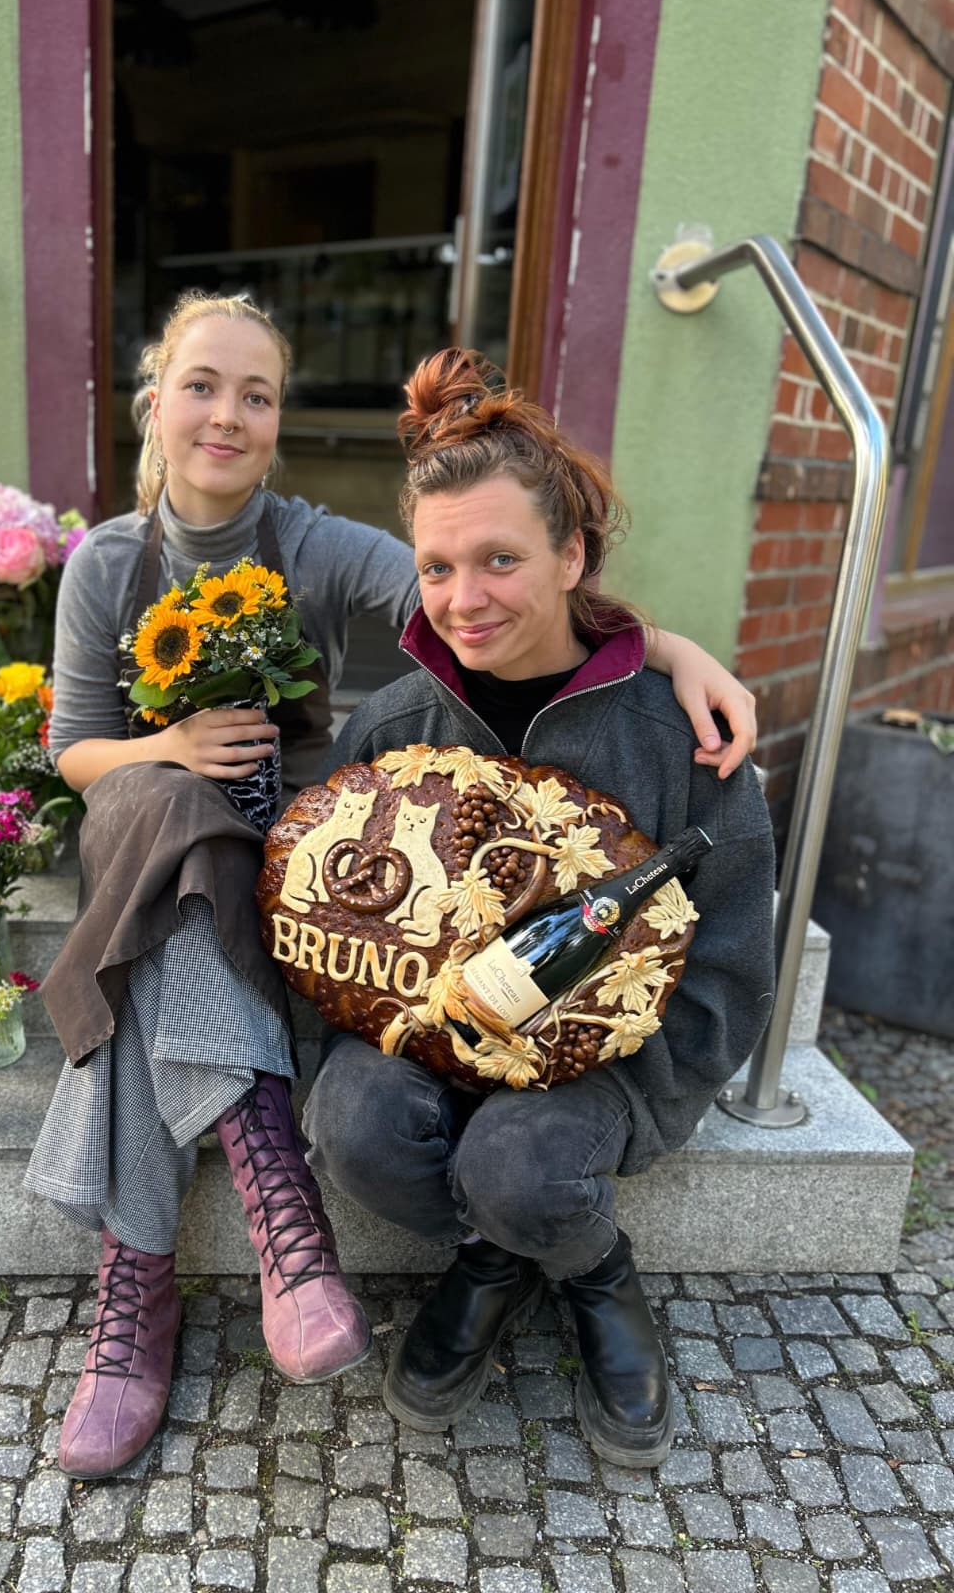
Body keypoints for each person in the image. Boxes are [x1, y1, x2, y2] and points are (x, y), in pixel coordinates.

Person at [25, 292, 762, 1480]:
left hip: (308, 886)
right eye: (201, 385)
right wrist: (167, 752)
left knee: (509, 1158)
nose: (228, 414)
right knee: (169, 837)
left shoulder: (322, 550)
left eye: (257, 393)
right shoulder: (117, 567)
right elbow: (74, 742)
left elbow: (473, 585)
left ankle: (528, 1262)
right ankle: (276, 1171)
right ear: (151, 398)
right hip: (166, 839)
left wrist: (664, 649)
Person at [303, 347, 776, 1468]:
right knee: (350, 1126)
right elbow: (335, 926)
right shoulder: (390, 727)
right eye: (435, 568)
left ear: (571, 555)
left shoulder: (682, 739)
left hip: (607, 1060)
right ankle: (501, 1252)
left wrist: (632, 1078)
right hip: (429, 1030)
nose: (463, 600)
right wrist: (380, 1029)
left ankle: (588, 1272)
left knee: (520, 1166)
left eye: (500, 558)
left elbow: (733, 962)